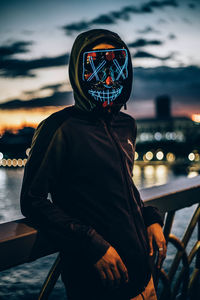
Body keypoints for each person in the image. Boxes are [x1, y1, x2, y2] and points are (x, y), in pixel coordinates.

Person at [20, 29, 167, 300]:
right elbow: (33, 200)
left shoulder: (126, 124)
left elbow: (121, 187)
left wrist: (148, 218)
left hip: (145, 281)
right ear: (79, 70)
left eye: (115, 65)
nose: (108, 77)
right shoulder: (59, 128)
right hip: (99, 285)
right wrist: (91, 243)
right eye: (97, 67)